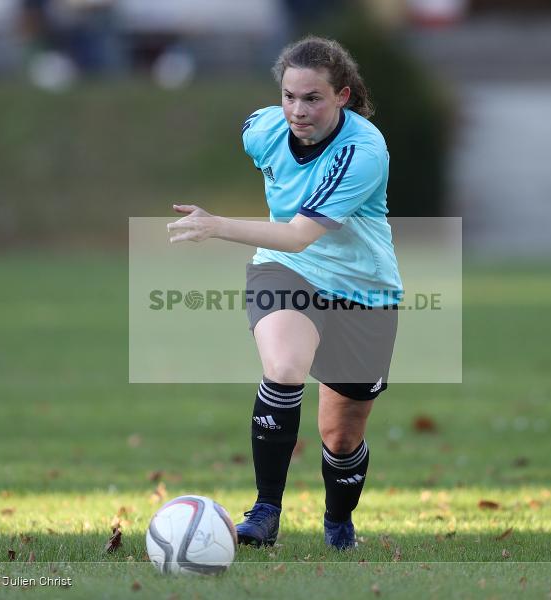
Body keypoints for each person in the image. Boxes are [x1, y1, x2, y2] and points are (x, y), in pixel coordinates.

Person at [167, 36, 402, 551]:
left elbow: (299, 231)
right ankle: (265, 512)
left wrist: (219, 225)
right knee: (285, 367)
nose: (297, 110)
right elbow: (289, 243)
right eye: (289, 96)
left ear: (341, 96)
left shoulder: (363, 151)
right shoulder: (262, 128)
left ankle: (338, 524)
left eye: (312, 98)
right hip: (285, 271)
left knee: (341, 438)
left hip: (364, 292)